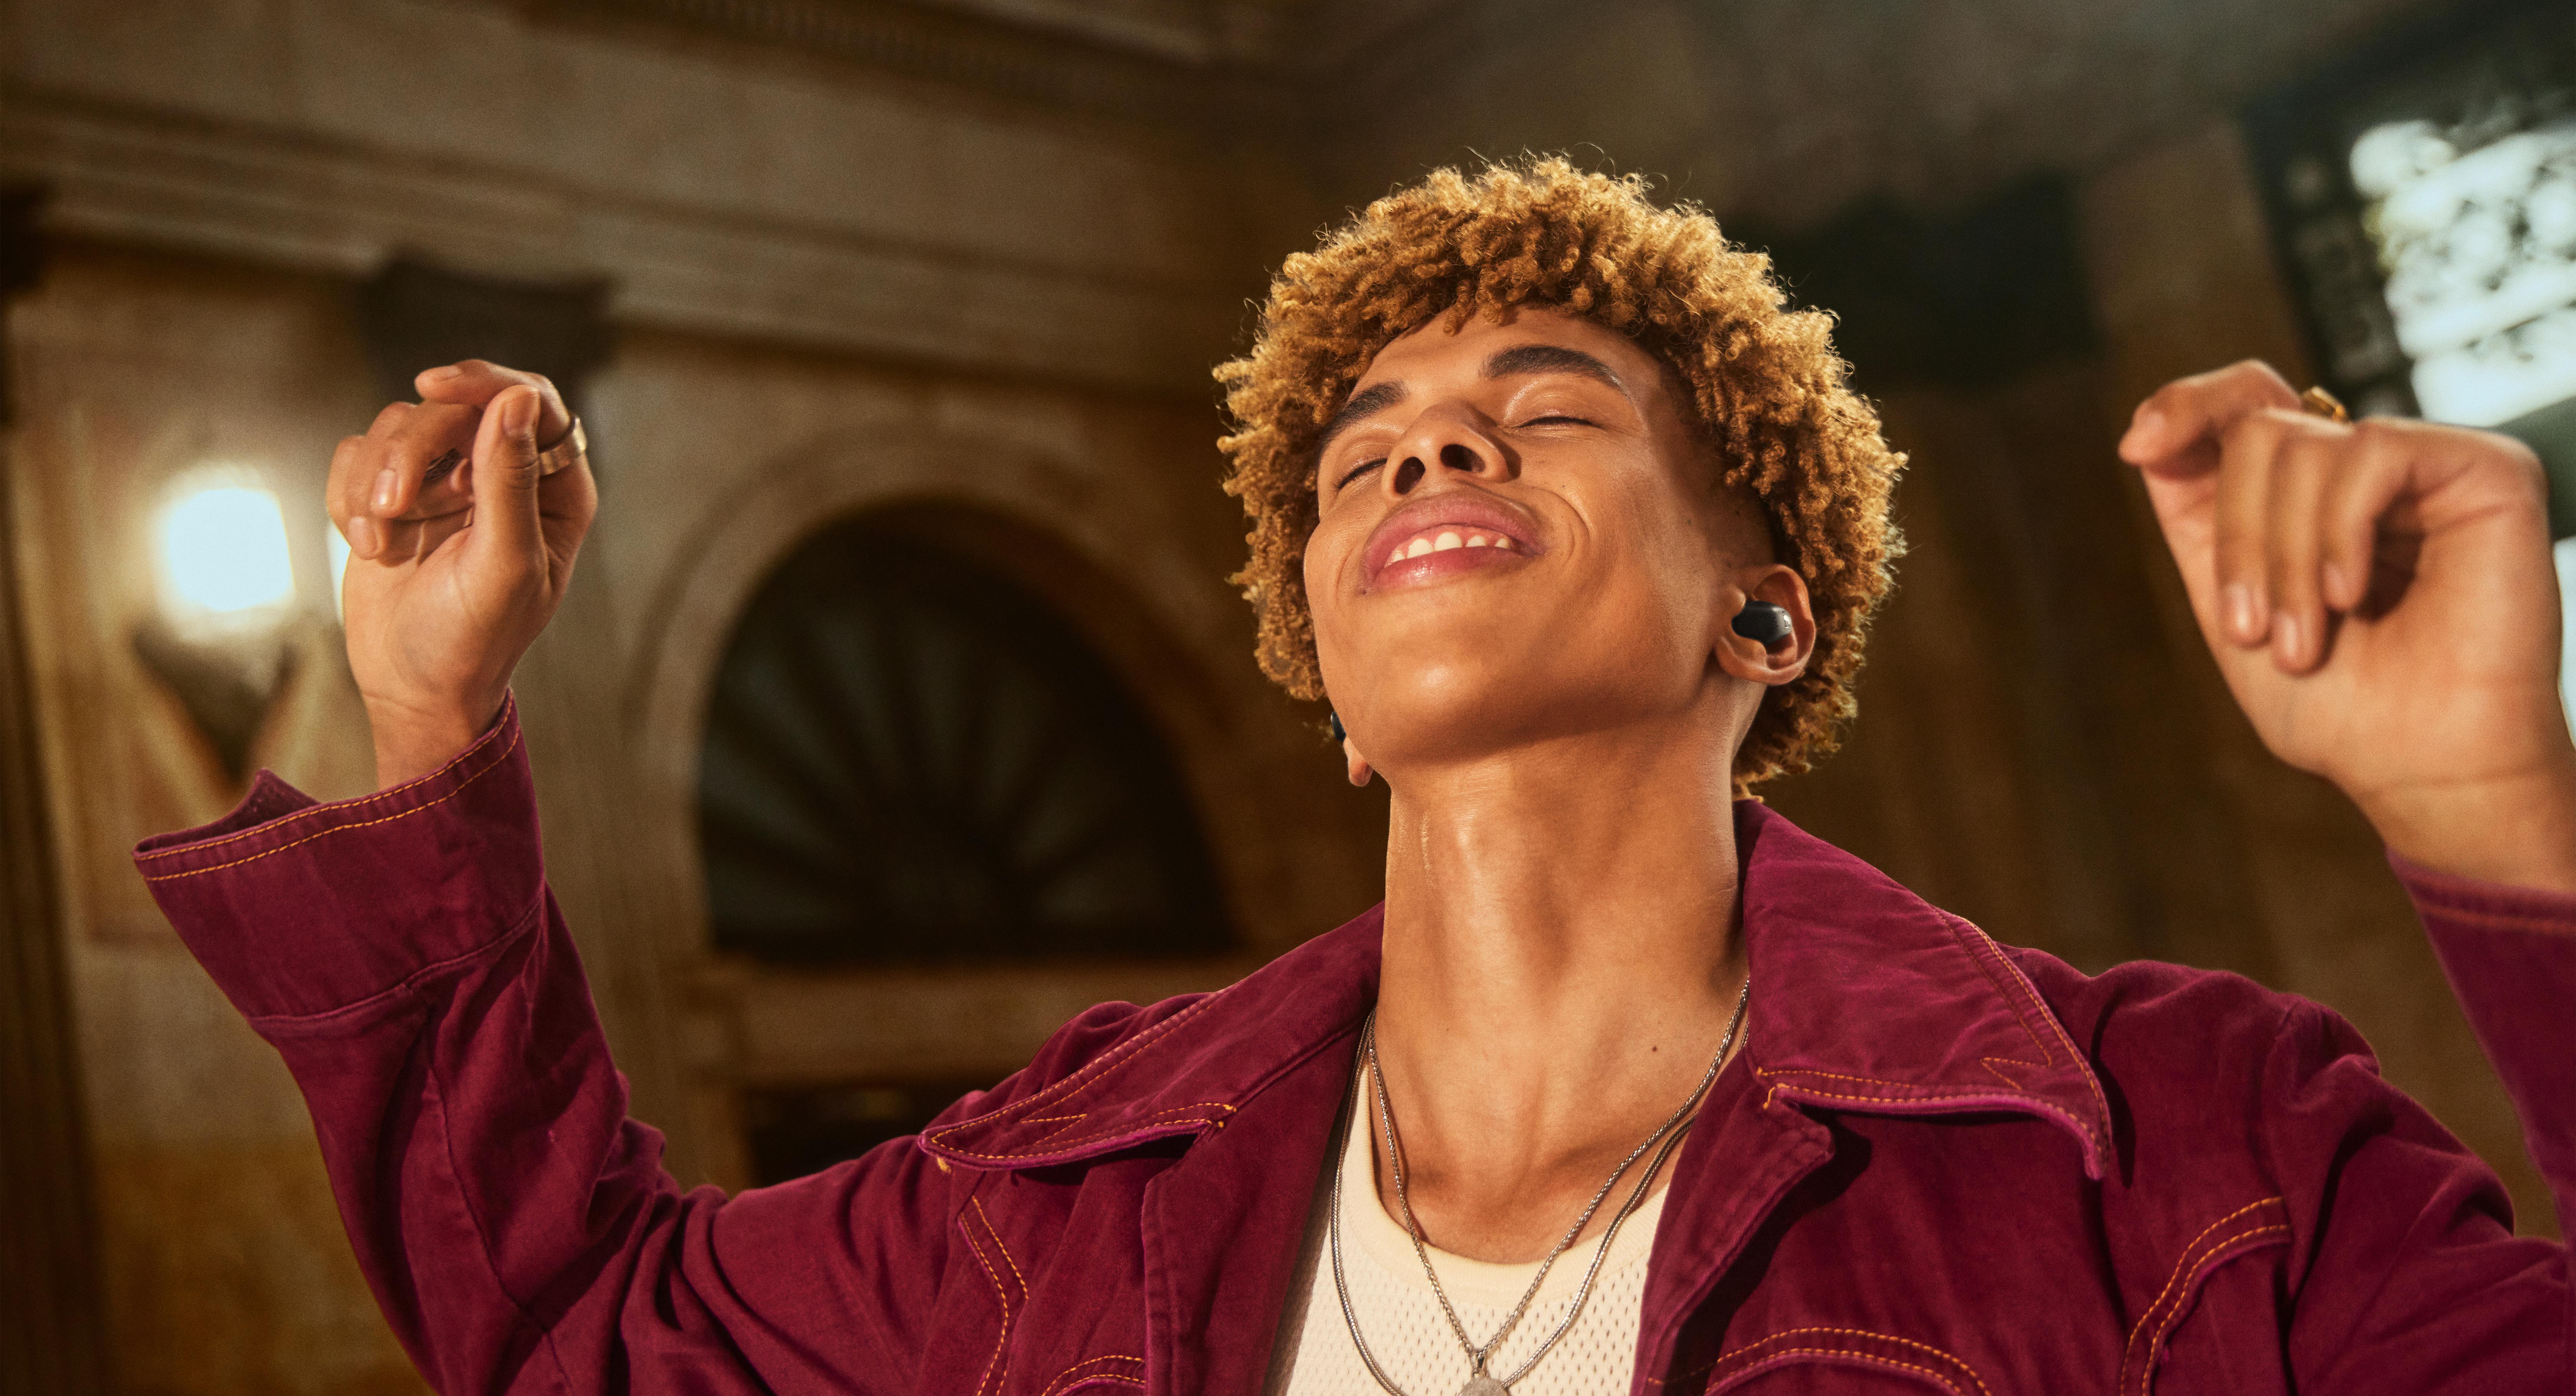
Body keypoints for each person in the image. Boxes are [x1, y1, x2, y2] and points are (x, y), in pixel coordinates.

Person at [138, 159, 2573, 1395]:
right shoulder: (1054, 1191)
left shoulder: (2186, 1151)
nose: (1433, 447)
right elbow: (584, 1345)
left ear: (1772, 606)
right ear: (1319, 636)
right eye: (1366, 451)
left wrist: (2493, 814)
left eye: (1554, 406)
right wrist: (444, 729)